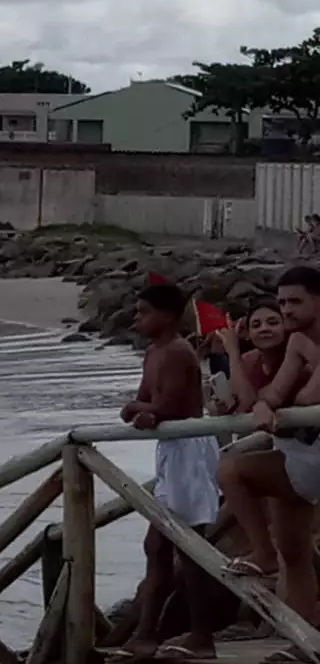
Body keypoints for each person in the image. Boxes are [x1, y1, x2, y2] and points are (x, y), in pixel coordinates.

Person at [113, 282, 222, 662]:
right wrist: (140, 408)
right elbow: (146, 399)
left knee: (187, 546)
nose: (137, 318)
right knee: (157, 545)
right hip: (170, 450)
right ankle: (148, 632)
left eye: (144, 312)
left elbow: (170, 405)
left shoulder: (177, 351)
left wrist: (146, 410)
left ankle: (199, 635)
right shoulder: (153, 353)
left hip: (189, 448)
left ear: (169, 315)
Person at [217, 266, 320, 664]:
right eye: (281, 302)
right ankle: (302, 642)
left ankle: (259, 554)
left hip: (313, 456)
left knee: (232, 469)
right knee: (293, 554)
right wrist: (264, 403)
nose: (286, 310)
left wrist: (294, 401)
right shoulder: (297, 342)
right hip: (299, 457)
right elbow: (273, 394)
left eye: (295, 301)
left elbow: (308, 396)